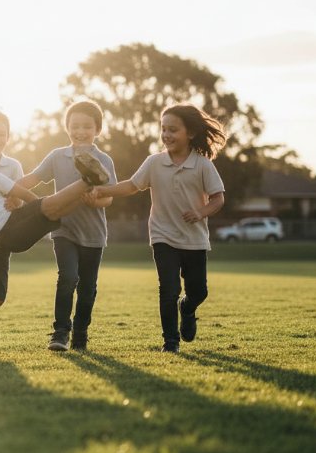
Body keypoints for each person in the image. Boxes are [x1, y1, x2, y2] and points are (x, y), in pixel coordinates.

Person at [0, 127, 111, 352]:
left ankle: (87, 182)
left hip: (12, 223)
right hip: (4, 236)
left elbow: (19, 191)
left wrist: (37, 209)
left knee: (52, 209)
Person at [90, 104, 226, 353]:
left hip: (194, 240)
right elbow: (132, 186)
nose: (166, 135)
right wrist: (103, 190)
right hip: (162, 236)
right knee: (168, 289)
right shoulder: (154, 162)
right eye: (163, 129)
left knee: (199, 291)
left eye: (173, 130)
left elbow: (218, 199)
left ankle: (188, 308)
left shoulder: (203, 165)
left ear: (191, 133)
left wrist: (200, 212)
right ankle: (170, 343)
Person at [13, 99, 118, 352]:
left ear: (97, 129)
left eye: (86, 126)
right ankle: (60, 333)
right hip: (63, 229)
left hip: (93, 234)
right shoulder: (57, 156)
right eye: (75, 126)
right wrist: (9, 190)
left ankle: (81, 334)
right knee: (67, 277)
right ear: (67, 127)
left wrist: (95, 201)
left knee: (87, 288)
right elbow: (34, 178)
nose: (80, 131)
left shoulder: (104, 159)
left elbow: (110, 196)